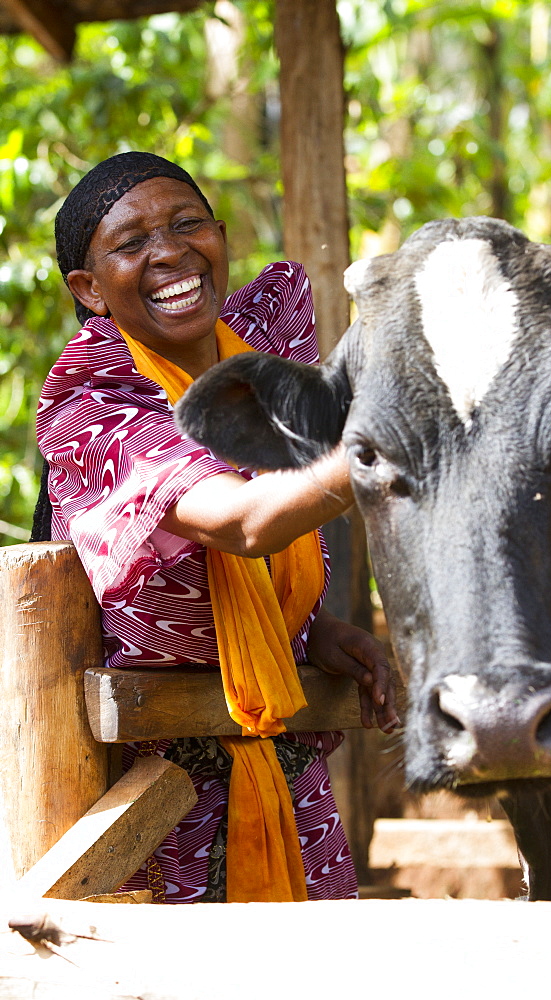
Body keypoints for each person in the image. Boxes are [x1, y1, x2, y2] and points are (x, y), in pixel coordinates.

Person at [33, 151, 398, 904]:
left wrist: (305, 628)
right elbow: (242, 521)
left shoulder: (264, 353)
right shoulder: (94, 408)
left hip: (293, 795)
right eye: (130, 244)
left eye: (186, 223)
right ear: (89, 289)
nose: (168, 251)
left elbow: (228, 565)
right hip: (145, 819)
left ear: (221, 236)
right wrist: (394, 442)